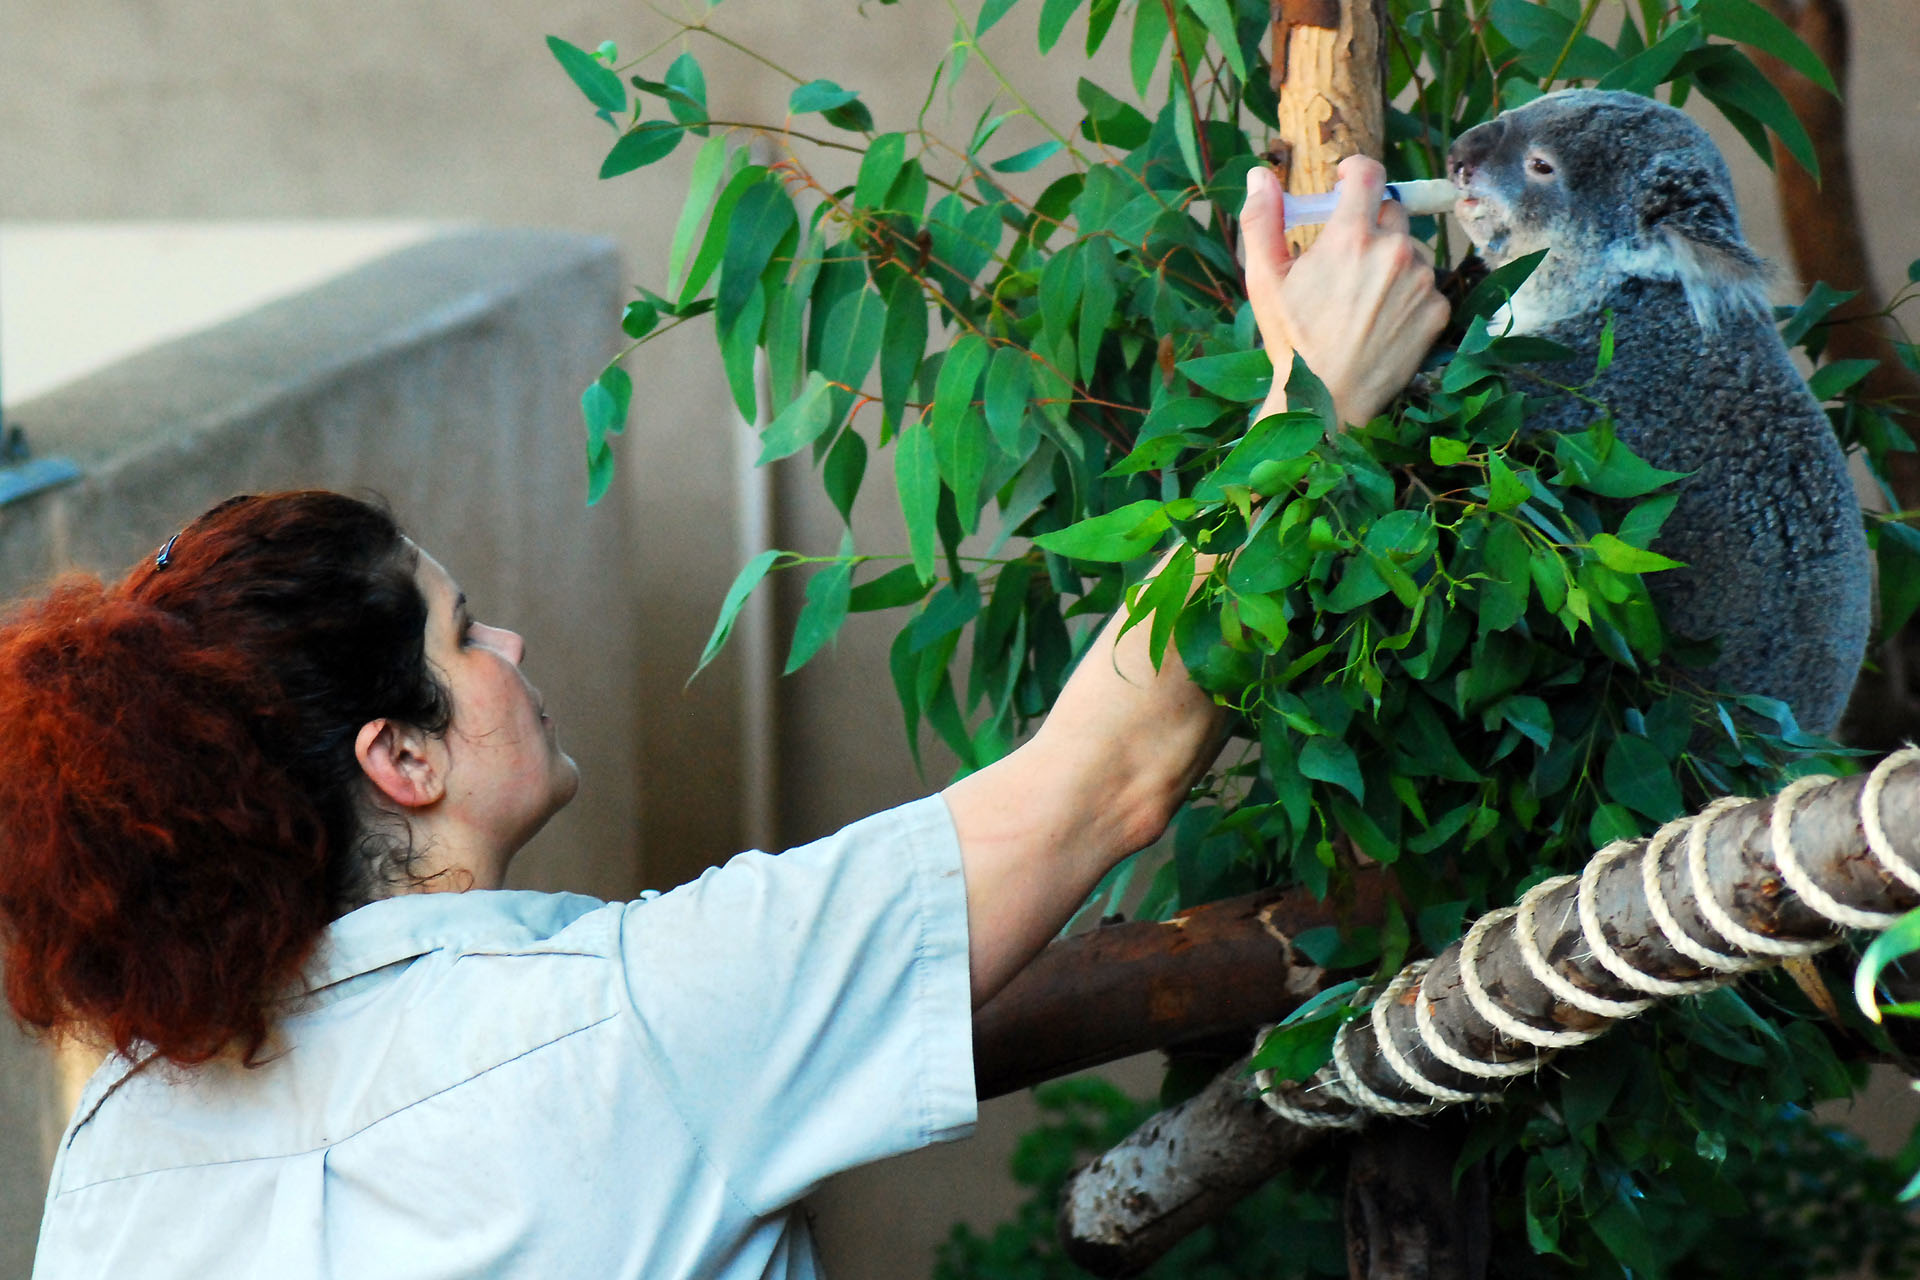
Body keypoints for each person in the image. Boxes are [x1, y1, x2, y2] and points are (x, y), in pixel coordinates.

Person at [2, 157, 1446, 1279]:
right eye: (461, 631)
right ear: (403, 755)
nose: (508, 640)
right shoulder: (637, 1023)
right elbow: (1102, 780)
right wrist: (1311, 406)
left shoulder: (120, 1149)